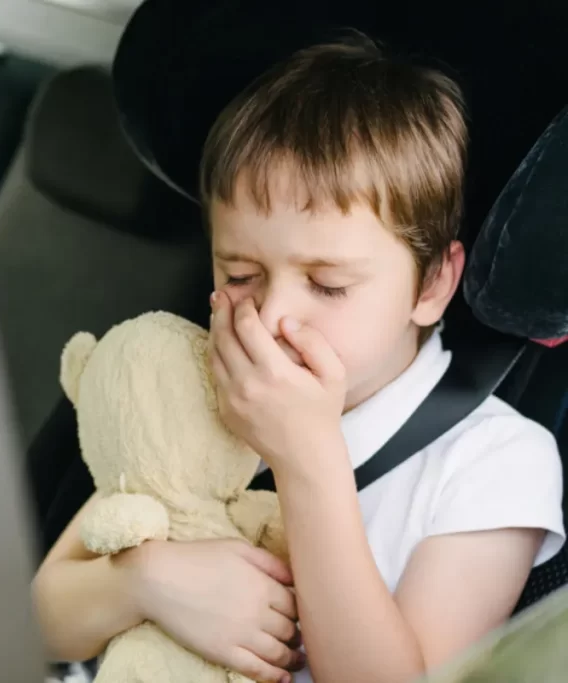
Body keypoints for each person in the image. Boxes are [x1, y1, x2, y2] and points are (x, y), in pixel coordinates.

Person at [31, 34, 565, 683]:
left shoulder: (494, 462)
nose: (273, 315)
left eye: (329, 284)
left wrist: (305, 456)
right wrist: (143, 582)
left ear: (431, 285)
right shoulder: (197, 383)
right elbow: (39, 621)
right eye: (241, 271)